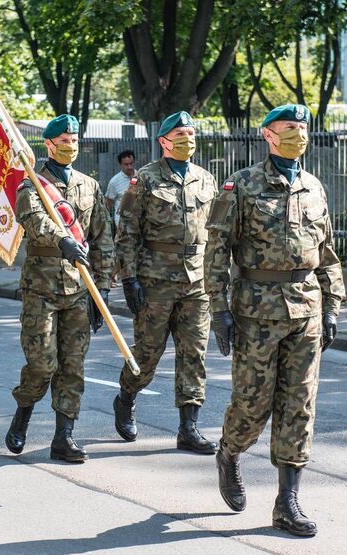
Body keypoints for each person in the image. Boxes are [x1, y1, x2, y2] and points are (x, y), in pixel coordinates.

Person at [204, 104, 346, 537]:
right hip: (256, 310)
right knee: (252, 403)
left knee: (299, 404)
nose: (298, 134)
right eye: (289, 128)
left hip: (307, 309)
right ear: (267, 135)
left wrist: (334, 304)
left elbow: (327, 253)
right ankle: (229, 452)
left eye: (302, 128)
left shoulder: (314, 187)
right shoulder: (241, 185)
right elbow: (216, 251)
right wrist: (219, 310)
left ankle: (287, 501)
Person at [4, 114, 114, 463]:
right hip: (42, 289)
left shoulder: (88, 185)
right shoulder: (31, 184)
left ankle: (64, 436)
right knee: (42, 364)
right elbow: (34, 221)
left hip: (80, 290)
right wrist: (63, 239)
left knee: (73, 367)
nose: (71, 145)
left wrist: (105, 288)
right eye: (64, 140)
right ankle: (23, 411)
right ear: (49, 144)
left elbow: (102, 238)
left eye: (74, 139)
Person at [113, 111, 219, 453]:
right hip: (156, 279)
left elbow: (216, 233)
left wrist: (221, 279)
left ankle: (189, 427)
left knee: (194, 353)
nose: (187, 140)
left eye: (191, 134)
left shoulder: (206, 179)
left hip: (197, 280)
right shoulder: (143, 180)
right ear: (163, 141)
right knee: (147, 354)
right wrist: (129, 278)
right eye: (180, 135)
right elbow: (126, 231)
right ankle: (126, 397)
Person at [105, 149, 136, 229]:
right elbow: (108, 205)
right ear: (120, 164)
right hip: (122, 225)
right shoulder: (114, 182)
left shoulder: (141, 177)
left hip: (139, 223)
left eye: (131, 163)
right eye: (126, 164)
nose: (129, 167)